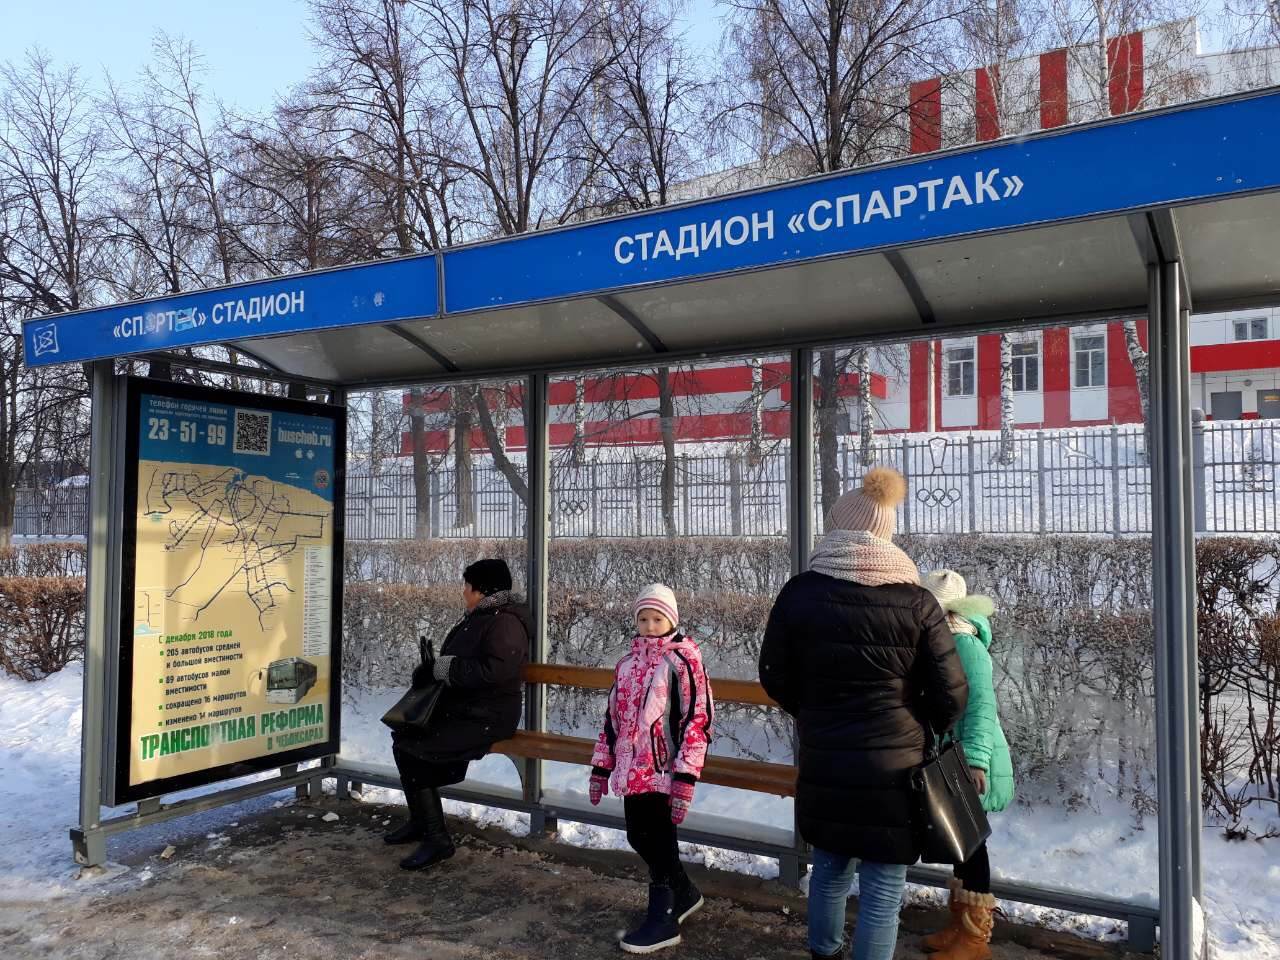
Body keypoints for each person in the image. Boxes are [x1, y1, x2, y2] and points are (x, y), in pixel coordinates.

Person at [757, 467, 969, 960]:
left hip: (827, 756)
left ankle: (824, 953)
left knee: (830, 870)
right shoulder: (918, 602)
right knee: (883, 887)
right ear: (886, 533)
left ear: (837, 529)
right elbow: (952, 693)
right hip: (897, 766)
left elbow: (774, 673)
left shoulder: (800, 592)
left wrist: (813, 712)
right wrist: (916, 726)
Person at [588, 583, 713, 955]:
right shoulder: (627, 664)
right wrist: (602, 766)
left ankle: (664, 916)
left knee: (658, 840)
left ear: (671, 620)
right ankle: (684, 891)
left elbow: (698, 718)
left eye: (657, 618)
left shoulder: (683, 660)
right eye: (643, 618)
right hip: (632, 769)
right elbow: (612, 720)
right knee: (637, 836)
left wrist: (686, 775)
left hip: (664, 770)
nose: (649, 625)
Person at [384, 558, 531, 871]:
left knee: (415, 751)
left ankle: (437, 839)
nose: (464, 591)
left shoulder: (504, 622)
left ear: (483, 590)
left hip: (490, 716)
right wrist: (431, 669)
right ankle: (421, 821)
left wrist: (443, 668)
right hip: (467, 710)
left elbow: (495, 671)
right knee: (404, 741)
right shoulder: (482, 617)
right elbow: (464, 662)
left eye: (468, 585)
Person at [919, 570, 1015, 960]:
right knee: (961, 843)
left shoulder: (965, 645)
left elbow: (981, 709)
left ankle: (975, 939)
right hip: (952, 757)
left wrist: (976, 762)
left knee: (973, 847)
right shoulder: (943, 642)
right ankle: (961, 927)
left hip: (970, 760)